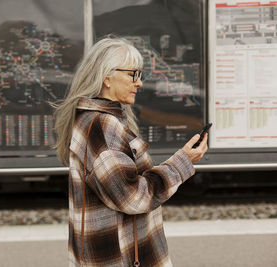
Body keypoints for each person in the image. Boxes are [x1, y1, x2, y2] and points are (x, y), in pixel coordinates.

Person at [53, 37, 208, 267]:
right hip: (121, 258)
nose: (140, 83)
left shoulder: (91, 119)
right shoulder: (102, 126)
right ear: (107, 76)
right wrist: (182, 163)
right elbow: (132, 197)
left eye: (140, 75)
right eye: (132, 75)